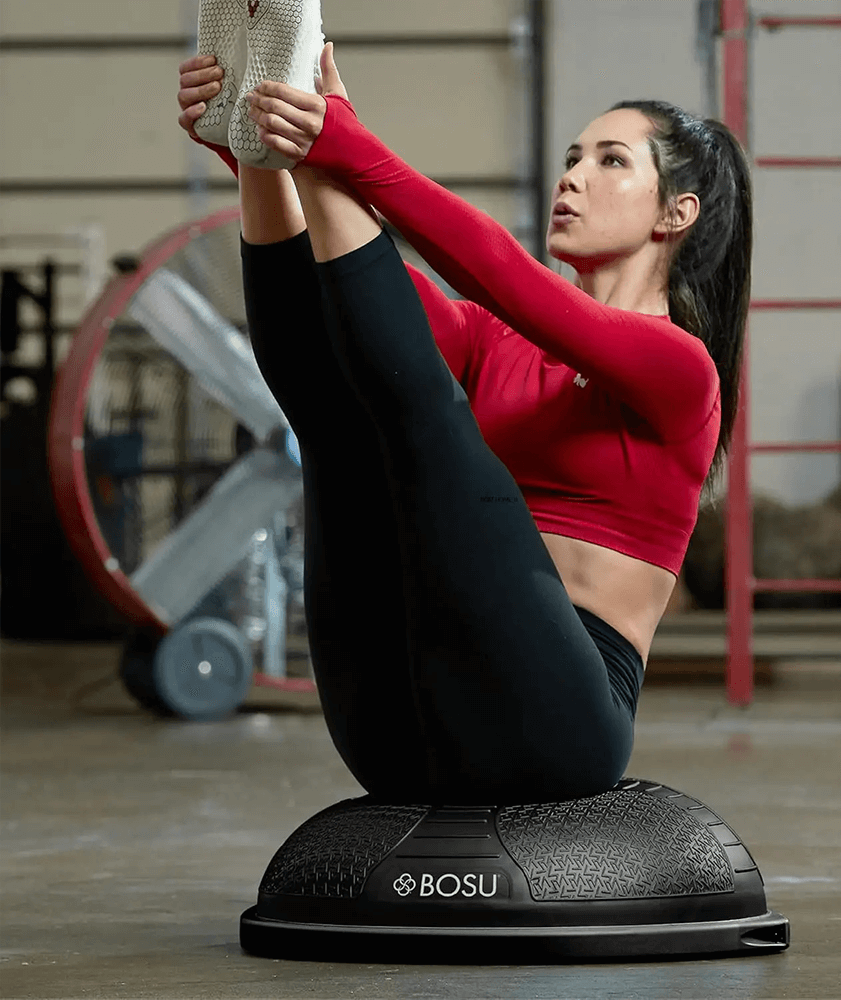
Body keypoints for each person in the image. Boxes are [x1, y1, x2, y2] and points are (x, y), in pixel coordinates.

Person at [175, 33, 752, 806]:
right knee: (334, 413)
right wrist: (262, 149)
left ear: (678, 212)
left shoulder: (682, 371)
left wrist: (346, 146)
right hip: (398, 718)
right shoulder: (493, 341)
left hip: (556, 723)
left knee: (425, 422)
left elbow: (504, 277)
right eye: (573, 157)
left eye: (611, 160)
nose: (574, 177)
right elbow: (356, 298)